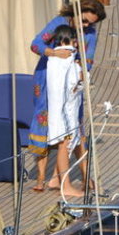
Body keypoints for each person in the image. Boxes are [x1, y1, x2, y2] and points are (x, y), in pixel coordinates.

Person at [28, 0, 106, 192]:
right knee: (44, 122)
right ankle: (41, 177)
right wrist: (54, 53)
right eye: (84, 20)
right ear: (76, 12)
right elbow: (36, 44)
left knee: (75, 124)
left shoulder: (89, 34)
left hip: (71, 81)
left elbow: (88, 59)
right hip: (47, 80)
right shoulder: (59, 23)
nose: (86, 25)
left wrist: (81, 71)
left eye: (90, 23)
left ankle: (78, 176)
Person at [40, 25, 85, 197]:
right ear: (71, 40)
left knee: (64, 145)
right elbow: (73, 86)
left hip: (57, 109)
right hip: (65, 111)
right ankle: (66, 185)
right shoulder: (68, 59)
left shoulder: (53, 59)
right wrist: (83, 77)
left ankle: (55, 179)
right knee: (65, 146)